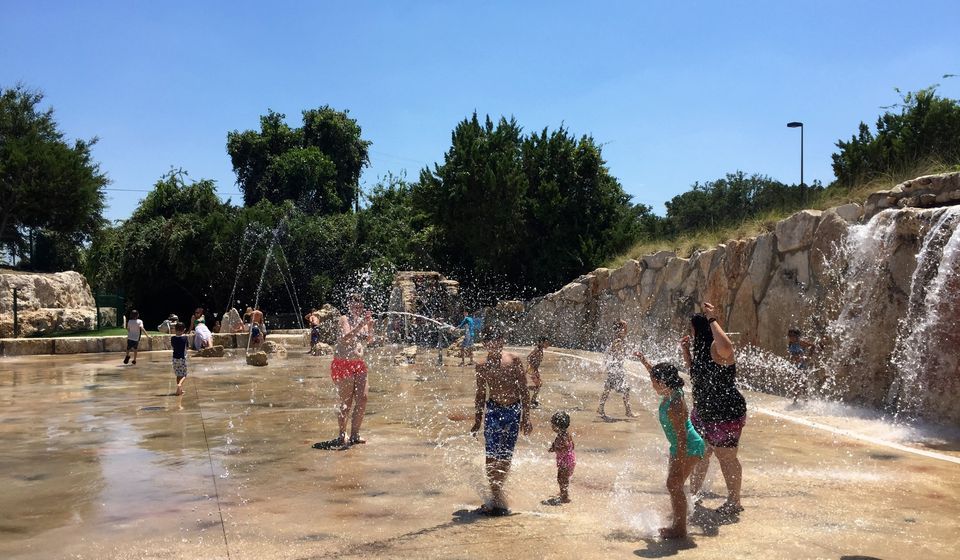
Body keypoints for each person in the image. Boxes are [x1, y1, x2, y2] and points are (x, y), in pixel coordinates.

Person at [683, 302, 747, 516]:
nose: (689, 332)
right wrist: (686, 353)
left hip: (725, 413)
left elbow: (728, 347)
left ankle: (734, 501)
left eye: (691, 327)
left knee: (726, 456)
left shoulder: (716, 347)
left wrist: (712, 319)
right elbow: (697, 375)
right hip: (703, 413)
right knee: (700, 455)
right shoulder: (701, 349)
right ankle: (693, 495)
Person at [635, 352, 706, 539]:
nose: (652, 384)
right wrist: (645, 362)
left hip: (688, 447)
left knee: (674, 484)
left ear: (662, 382)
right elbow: (655, 373)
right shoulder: (669, 389)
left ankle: (679, 529)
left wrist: (678, 462)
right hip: (679, 446)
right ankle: (678, 522)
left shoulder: (675, 404)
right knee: (674, 485)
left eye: (654, 381)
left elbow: (682, 438)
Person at [470, 324, 532, 516]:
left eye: (498, 340)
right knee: (491, 453)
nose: (494, 344)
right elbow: (480, 394)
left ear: (502, 341)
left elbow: (523, 390)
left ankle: (498, 491)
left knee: (506, 453)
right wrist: (477, 420)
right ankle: (495, 493)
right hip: (493, 411)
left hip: (513, 411)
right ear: (485, 344)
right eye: (490, 341)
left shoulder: (514, 360)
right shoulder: (481, 365)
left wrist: (526, 418)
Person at [315, 294, 374, 449]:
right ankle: (342, 435)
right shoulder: (344, 319)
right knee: (346, 402)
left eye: (360, 304)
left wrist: (370, 327)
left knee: (363, 398)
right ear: (349, 305)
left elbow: (369, 340)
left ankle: (355, 434)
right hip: (344, 364)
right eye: (355, 305)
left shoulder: (362, 321)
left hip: (359, 365)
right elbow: (346, 338)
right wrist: (361, 325)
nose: (358, 307)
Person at [598, 320, 637, 419]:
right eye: (625, 326)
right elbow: (614, 353)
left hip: (616, 367)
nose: (627, 329)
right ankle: (627, 411)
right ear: (620, 329)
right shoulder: (618, 340)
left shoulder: (620, 339)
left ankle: (601, 407)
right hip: (616, 368)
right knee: (624, 388)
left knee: (609, 388)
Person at [548, 410, 575, 504]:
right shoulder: (566, 434)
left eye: (552, 424)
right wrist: (554, 447)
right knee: (564, 478)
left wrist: (556, 448)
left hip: (565, 461)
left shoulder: (562, 437)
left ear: (557, 426)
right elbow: (572, 445)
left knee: (561, 478)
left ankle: (565, 496)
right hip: (570, 460)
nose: (551, 426)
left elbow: (565, 446)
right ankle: (563, 492)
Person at [787, 328, 816, 402]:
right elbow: (792, 353)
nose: (790, 337)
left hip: (802, 365)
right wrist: (793, 358)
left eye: (792, 335)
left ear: (797, 336)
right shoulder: (790, 343)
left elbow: (813, 346)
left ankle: (796, 401)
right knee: (801, 384)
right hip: (796, 366)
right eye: (789, 335)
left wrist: (808, 357)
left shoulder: (800, 342)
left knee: (798, 383)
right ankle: (805, 400)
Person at [527, 337, 550, 408]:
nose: (547, 345)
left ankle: (532, 400)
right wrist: (532, 367)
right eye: (546, 343)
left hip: (534, 369)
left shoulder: (540, 350)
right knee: (538, 385)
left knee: (539, 385)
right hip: (532, 370)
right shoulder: (537, 350)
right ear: (541, 343)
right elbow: (529, 357)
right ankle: (526, 392)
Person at [171, 322, 189, 396]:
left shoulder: (173, 338)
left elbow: (173, 346)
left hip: (175, 359)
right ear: (184, 330)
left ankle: (179, 390)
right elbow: (187, 347)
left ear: (175, 330)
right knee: (184, 375)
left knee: (178, 374)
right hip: (182, 359)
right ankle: (180, 385)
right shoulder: (185, 338)